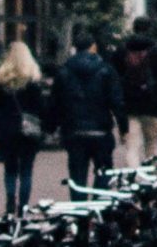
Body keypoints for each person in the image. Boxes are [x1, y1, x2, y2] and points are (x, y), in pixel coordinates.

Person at [50, 24, 126, 190]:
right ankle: (101, 204)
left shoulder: (64, 71)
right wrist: (123, 127)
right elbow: (116, 101)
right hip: (101, 129)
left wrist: (51, 126)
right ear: (93, 47)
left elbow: (55, 102)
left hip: (74, 130)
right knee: (104, 171)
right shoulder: (106, 70)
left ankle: (80, 208)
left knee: (77, 175)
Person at [0, 39, 47, 218]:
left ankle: (11, 202)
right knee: (26, 169)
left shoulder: (1, 81)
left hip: (7, 129)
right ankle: (24, 207)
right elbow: (41, 107)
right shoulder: (33, 81)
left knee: (10, 168)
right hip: (29, 131)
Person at [118, 17, 157, 161]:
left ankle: (133, 176)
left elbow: (115, 77)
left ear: (134, 27)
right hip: (153, 105)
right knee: (152, 145)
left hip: (130, 104)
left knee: (132, 147)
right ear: (149, 28)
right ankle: (153, 178)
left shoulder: (122, 49)